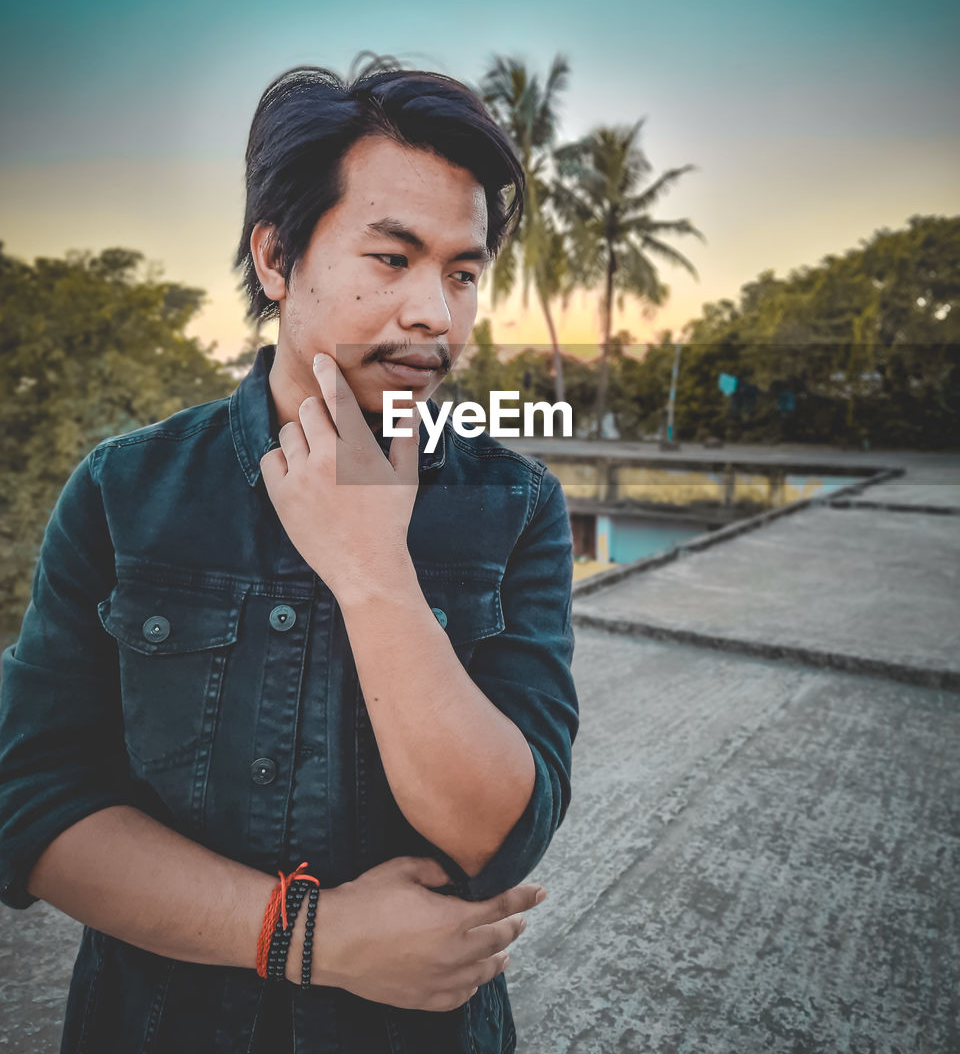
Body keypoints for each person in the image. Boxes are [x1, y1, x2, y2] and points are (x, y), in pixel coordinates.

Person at [0, 60, 580, 1053]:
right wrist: (306, 935)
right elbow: (33, 800)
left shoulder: (515, 507)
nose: (436, 314)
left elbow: (500, 831)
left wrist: (371, 571)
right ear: (276, 257)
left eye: (462, 272)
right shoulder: (123, 492)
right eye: (392, 258)